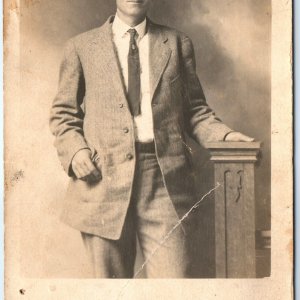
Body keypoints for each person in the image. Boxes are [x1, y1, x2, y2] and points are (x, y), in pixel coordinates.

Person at [49, 0, 254, 278]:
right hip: (101, 182)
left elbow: (194, 110)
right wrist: (75, 152)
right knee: (110, 289)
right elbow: (64, 113)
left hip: (165, 181)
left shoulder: (177, 43)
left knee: (173, 285)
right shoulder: (81, 47)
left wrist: (226, 136)